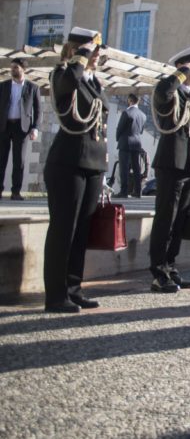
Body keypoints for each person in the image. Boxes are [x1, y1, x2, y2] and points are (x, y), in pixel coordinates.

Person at [42, 27, 108, 313]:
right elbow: (67, 83)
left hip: (92, 163)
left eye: (96, 52)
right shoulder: (62, 74)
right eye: (91, 51)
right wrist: (79, 57)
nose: (96, 56)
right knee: (63, 230)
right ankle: (55, 295)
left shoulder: (93, 82)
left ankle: (73, 288)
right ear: (77, 50)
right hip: (68, 162)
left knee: (81, 231)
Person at [149, 45, 190, 294]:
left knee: (179, 221)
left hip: (187, 165)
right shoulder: (169, 91)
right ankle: (158, 271)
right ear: (183, 67)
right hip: (171, 162)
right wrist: (181, 72)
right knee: (165, 219)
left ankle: (171, 267)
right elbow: (163, 91)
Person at [0, 58, 41, 201]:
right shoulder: (3, 86)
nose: (12, 70)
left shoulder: (33, 87)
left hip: (21, 128)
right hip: (4, 127)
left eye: (16, 67)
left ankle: (16, 192)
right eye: (11, 67)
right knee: (1, 160)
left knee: (19, 161)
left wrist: (35, 128)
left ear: (23, 69)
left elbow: (38, 110)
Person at [114, 94, 146, 198]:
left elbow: (120, 128)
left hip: (125, 142)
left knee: (124, 168)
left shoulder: (126, 113)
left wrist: (118, 138)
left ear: (130, 100)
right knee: (136, 168)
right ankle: (138, 191)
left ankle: (124, 191)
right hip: (136, 143)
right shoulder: (143, 115)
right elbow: (141, 131)